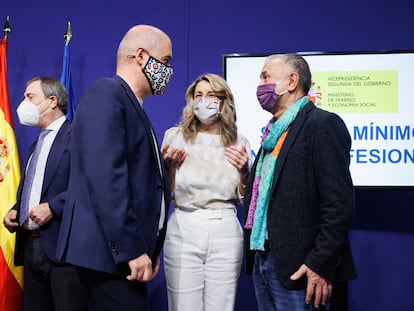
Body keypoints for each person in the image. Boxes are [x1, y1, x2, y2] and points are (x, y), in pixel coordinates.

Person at [55, 24, 173, 310]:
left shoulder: (131, 103)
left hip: (118, 261)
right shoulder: (107, 92)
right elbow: (107, 178)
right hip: (107, 261)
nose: (169, 71)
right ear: (142, 56)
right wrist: (132, 250)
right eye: (166, 62)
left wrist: (150, 249)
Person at [243, 53, 357, 311]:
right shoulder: (274, 131)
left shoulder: (322, 124)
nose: (260, 86)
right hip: (266, 258)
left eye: (265, 77)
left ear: (292, 81)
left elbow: (339, 205)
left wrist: (320, 263)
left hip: (303, 268)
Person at [161, 73, 251, 311]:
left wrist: (244, 171)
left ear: (224, 101)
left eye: (211, 95)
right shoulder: (175, 137)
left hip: (225, 228)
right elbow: (165, 195)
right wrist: (168, 169)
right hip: (183, 224)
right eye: (198, 95)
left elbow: (244, 199)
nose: (204, 101)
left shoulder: (239, 142)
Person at [2, 77, 87, 311]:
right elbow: (35, 187)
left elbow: (88, 185)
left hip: (62, 249)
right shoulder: (35, 144)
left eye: (30, 97)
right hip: (30, 247)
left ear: (52, 101)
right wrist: (16, 210)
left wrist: (53, 206)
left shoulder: (77, 136)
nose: (24, 103)